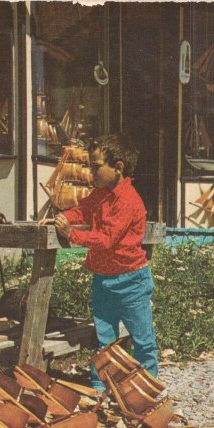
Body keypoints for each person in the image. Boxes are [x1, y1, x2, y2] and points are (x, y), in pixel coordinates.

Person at [52, 133, 159, 391]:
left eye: (96, 166)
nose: (91, 172)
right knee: (105, 342)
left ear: (118, 167)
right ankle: (100, 391)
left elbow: (106, 239)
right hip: (103, 279)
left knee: (143, 341)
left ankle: (146, 392)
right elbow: (82, 210)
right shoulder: (100, 194)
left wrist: (71, 233)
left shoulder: (128, 200)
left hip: (132, 280)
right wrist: (61, 217)